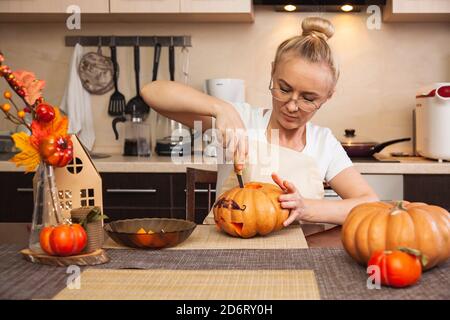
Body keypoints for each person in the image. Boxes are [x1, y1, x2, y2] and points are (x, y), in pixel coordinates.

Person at [141, 17, 379, 226]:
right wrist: (220, 108)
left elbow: (369, 204)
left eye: (308, 98)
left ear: (328, 96)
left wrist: (307, 208)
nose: (292, 105)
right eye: (284, 89)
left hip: (303, 260)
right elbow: (152, 92)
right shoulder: (241, 119)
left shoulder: (323, 142)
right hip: (232, 256)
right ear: (273, 72)